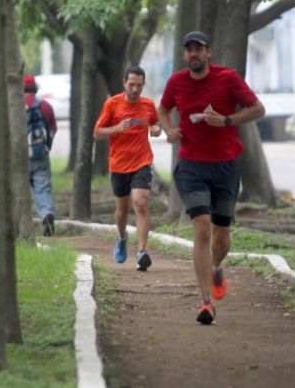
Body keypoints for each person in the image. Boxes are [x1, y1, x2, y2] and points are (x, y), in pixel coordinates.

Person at [158, 31, 265, 325]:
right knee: (202, 229)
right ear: (184, 55)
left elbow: (258, 109)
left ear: (208, 53)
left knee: (222, 238)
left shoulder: (227, 78)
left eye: (199, 49)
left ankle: (216, 267)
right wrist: (169, 130)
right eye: (189, 49)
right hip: (191, 166)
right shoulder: (176, 82)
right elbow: (163, 109)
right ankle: (205, 302)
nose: (194, 53)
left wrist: (228, 120)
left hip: (225, 166)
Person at [94, 66, 162, 271]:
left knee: (140, 203)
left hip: (142, 162)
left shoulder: (148, 105)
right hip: (118, 164)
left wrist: (156, 130)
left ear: (143, 85)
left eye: (139, 85)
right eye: (131, 84)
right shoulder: (112, 104)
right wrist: (117, 128)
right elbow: (97, 133)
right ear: (124, 83)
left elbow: (155, 126)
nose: (134, 89)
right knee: (121, 211)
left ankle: (142, 252)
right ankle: (122, 238)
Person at [24, 75, 58, 236]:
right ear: (35, 89)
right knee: (42, 187)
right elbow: (53, 128)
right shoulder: (45, 106)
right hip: (40, 154)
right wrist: (46, 147)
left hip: (19, 156)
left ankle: (19, 223)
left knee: (17, 190)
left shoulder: (12, 105)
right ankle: (46, 214)